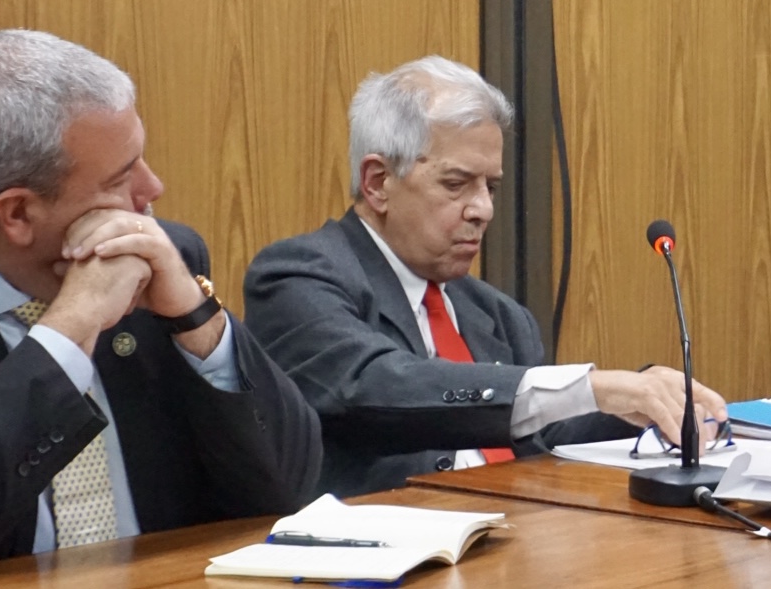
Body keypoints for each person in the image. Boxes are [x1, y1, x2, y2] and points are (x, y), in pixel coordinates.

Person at [244, 56, 728, 497]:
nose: (483, 209)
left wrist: (641, 400)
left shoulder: (497, 315)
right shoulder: (299, 277)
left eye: (490, 187)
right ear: (378, 183)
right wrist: (592, 386)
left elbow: (544, 435)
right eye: (457, 184)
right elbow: (374, 386)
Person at [0, 30, 321, 572]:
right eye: (122, 177)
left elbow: (290, 485)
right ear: (17, 213)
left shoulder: (159, 260)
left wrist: (196, 318)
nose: (152, 189)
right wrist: (70, 327)